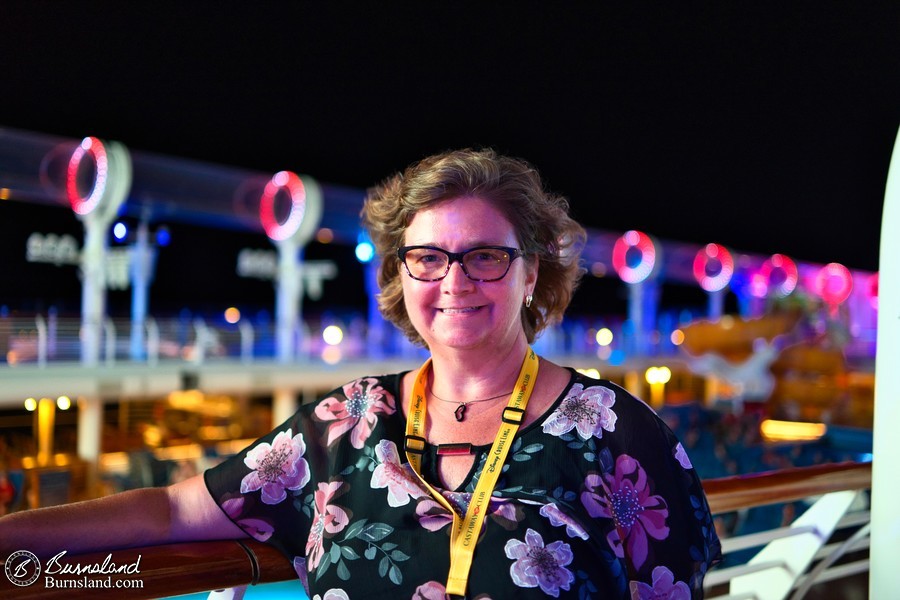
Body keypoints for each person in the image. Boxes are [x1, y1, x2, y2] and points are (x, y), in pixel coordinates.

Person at [0, 149, 721, 598]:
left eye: (485, 256)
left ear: (532, 272)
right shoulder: (347, 424)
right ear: (404, 277)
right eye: (429, 258)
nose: (454, 280)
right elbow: (172, 512)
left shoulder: (624, 438)